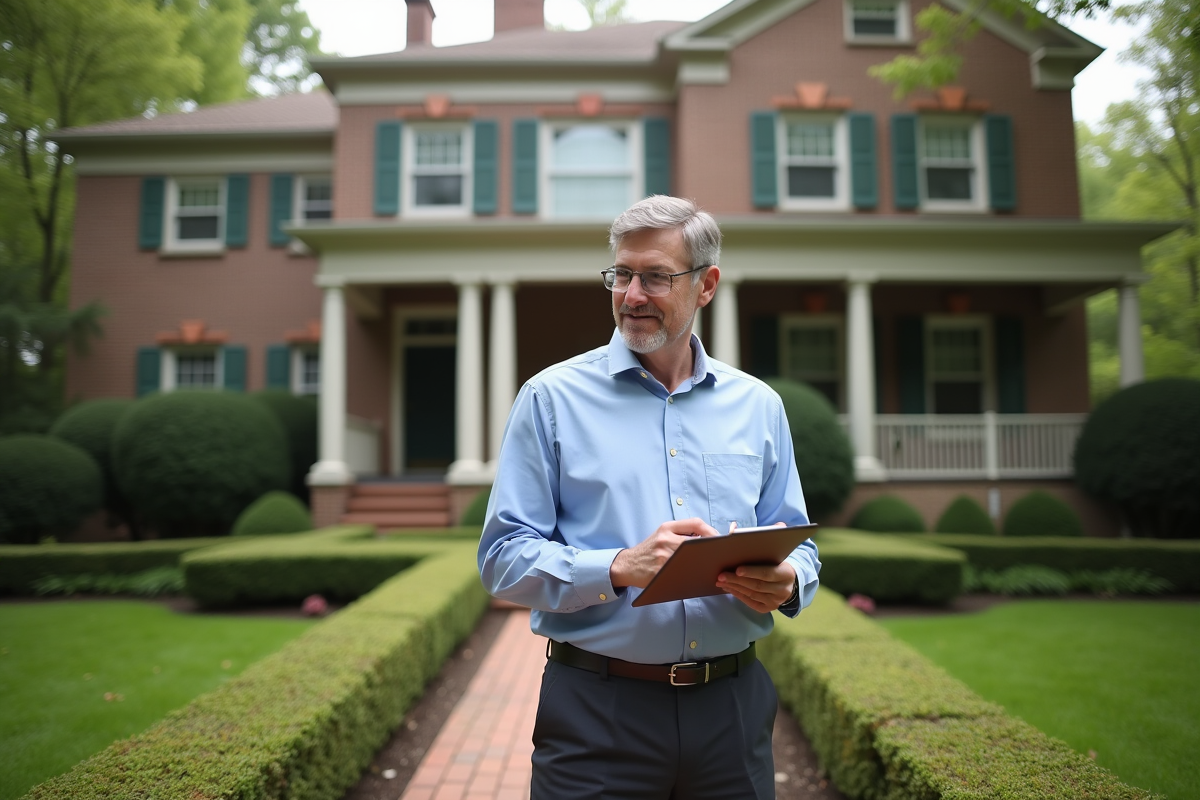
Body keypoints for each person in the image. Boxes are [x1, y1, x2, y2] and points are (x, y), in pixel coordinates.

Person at [478, 195, 821, 800]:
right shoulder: (549, 399)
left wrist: (790, 579)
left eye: (656, 276)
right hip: (597, 713)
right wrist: (616, 567)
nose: (632, 295)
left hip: (733, 711)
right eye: (622, 274)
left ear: (706, 284)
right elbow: (502, 558)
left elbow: (798, 539)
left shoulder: (759, 405)